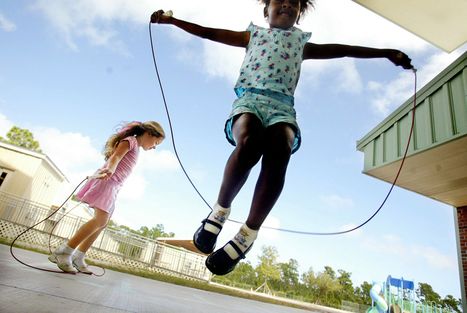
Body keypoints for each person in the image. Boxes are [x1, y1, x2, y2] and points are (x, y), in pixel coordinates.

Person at [151, 0, 413, 275]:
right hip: (251, 100)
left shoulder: (302, 44)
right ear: (267, 10)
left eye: (295, 2)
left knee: (280, 148)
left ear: (299, 13)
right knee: (251, 143)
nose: (287, 3)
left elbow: (346, 50)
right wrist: (173, 21)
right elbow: (207, 31)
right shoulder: (252, 35)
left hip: (282, 108)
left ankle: (247, 235)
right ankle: (218, 212)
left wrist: (386, 53)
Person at [49, 121, 165, 274]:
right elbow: (116, 157)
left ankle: (79, 255)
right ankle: (64, 252)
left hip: (114, 186)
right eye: (156, 142)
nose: (155, 147)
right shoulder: (130, 141)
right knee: (101, 219)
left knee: (103, 223)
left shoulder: (136, 147)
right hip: (107, 180)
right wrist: (110, 168)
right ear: (149, 133)